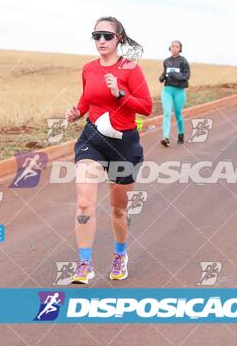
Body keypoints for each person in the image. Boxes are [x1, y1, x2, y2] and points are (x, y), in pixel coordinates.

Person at [65, 16, 152, 284]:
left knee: (118, 210)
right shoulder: (88, 69)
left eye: (107, 36)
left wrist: (120, 95)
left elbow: (146, 107)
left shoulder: (130, 69)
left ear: (119, 39)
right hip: (92, 139)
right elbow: (86, 101)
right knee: (84, 202)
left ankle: (119, 255)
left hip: (124, 145)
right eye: (96, 36)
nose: (101, 41)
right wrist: (76, 112)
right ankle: (84, 264)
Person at [159, 41, 190, 146]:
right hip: (167, 90)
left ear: (180, 49)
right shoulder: (166, 61)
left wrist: (173, 74)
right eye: (172, 46)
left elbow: (186, 76)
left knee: (178, 114)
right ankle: (166, 137)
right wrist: (162, 77)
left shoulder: (183, 61)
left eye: (177, 46)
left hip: (179, 91)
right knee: (167, 113)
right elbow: (165, 73)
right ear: (170, 48)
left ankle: (181, 134)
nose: (174, 48)